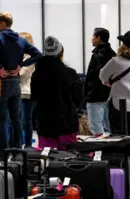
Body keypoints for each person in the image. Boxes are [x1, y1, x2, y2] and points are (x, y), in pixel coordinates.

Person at [0, 12, 42, 156]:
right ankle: (17, 151)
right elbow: (38, 54)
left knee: (2, 120)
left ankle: (3, 153)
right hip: (15, 82)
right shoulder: (20, 39)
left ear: (2, 24)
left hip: (2, 82)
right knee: (16, 119)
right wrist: (20, 64)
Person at [99, 31, 130, 153]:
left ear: (123, 45)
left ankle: (122, 169)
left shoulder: (116, 61)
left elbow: (102, 76)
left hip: (121, 107)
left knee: (120, 142)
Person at [30, 36, 83, 149]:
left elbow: (34, 96)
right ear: (60, 53)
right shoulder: (70, 73)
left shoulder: (37, 74)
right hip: (66, 124)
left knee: (47, 159)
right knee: (68, 159)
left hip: (45, 124)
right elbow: (78, 99)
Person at [84, 28, 116, 136]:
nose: (91, 39)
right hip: (108, 94)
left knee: (95, 125)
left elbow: (98, 76)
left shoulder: (99, 55)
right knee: (107, 125)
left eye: (93, 36)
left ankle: (99, 150)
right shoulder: (112, 53)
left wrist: (89, 92)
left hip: (96, 94)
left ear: (98, 38)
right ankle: (110, 149)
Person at [18, 32, 36, 147]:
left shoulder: (31, 58)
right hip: (16, 92)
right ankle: (17, 144)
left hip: (26, 93)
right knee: (16, 121)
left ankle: (28, 145)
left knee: (25, 121)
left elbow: (21, 74)